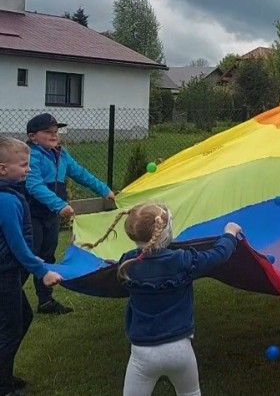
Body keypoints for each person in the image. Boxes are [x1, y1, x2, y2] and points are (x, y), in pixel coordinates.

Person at [80, 202, 240, 396]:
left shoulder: (127, 264)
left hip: (143, 353)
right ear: (165, 231)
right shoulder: (182, 260)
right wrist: (229, 234)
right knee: (190, 393)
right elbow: (218, 255)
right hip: (180, 350)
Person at [24, 113, 115, 315]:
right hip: (31, 215)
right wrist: (59, 205)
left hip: (51, 216)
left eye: (56, 131)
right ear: (33, 137)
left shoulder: (61, 154)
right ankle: (9, 298)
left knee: (47, 256)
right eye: (48, 132)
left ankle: (45, 301)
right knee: (27, 257)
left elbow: (81, 174)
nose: (54, 135)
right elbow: (34, 185)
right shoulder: (31, 156)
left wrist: (104, 190)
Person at [0, 137, 63, 395]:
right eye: (23, 165)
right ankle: (4, 386)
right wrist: (42, 271)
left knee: (22, 317)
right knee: (10, 328)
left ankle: (4, 374)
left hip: (7, 272)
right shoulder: (7, 201)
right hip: (4, 275)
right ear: (3, 169)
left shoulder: (11, 194)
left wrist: (33, 260)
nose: (28, 169)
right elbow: (15, 244)